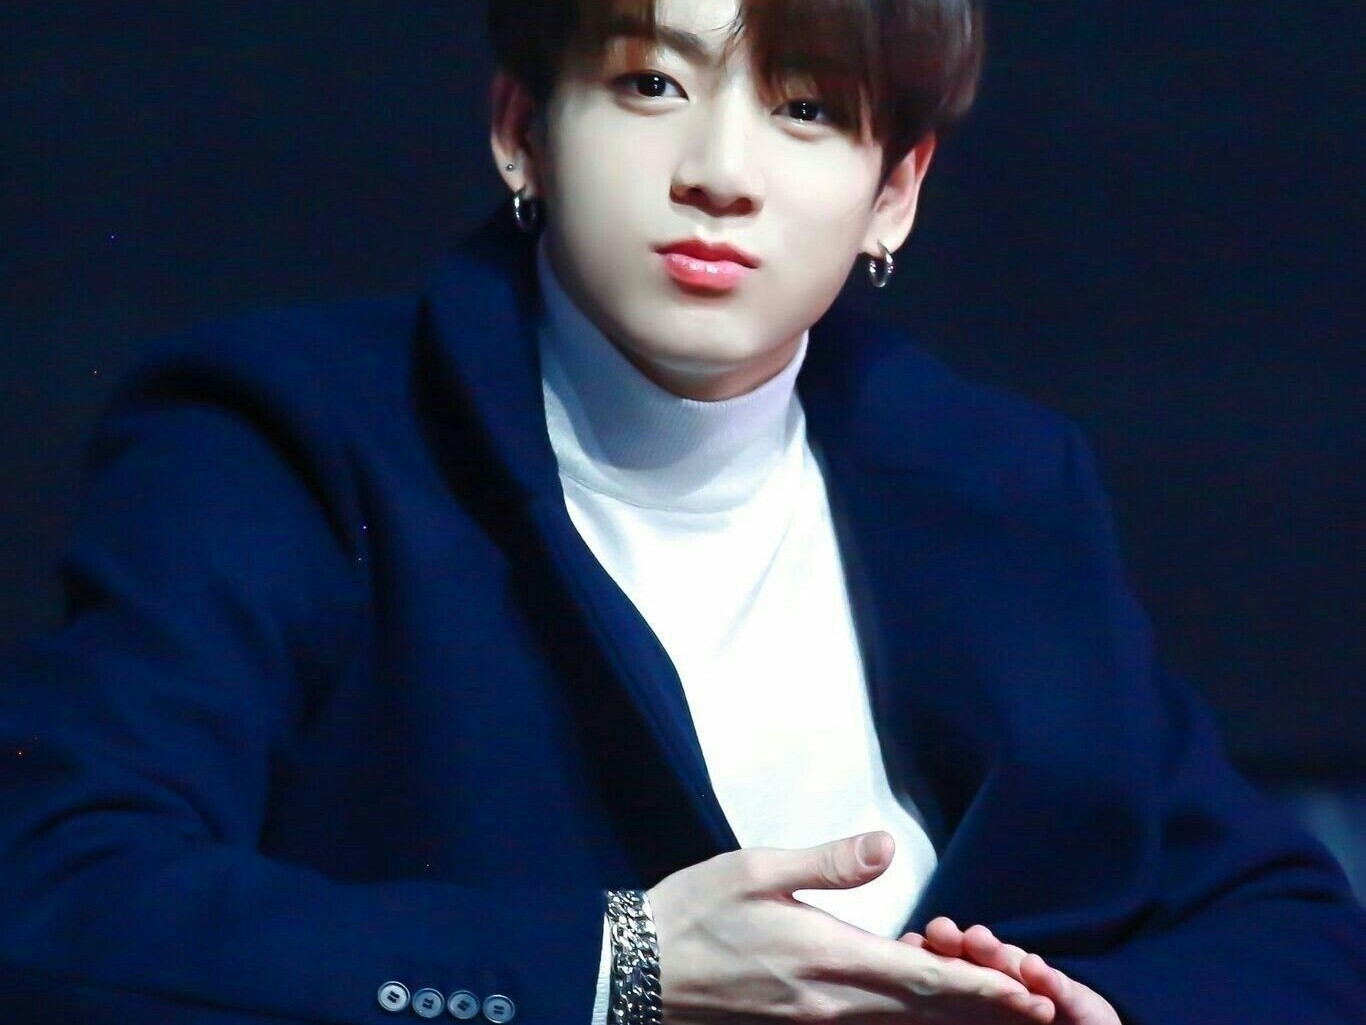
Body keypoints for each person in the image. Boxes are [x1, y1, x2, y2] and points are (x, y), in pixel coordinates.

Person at [0, 1, 1361, 1022]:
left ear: (894, 192)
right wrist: (618, 970)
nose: (719, 170)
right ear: (521, 128)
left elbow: (1287, 922)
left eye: (806, 107)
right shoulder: (285, 437)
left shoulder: (998, 482)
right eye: (650, 82)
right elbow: (58, 891)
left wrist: (1077, 1017)